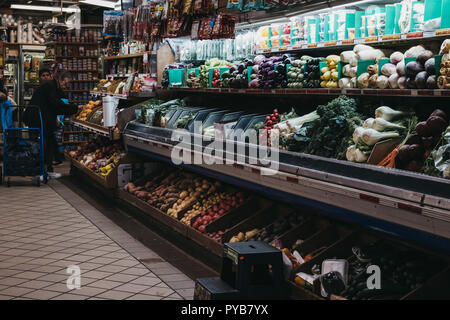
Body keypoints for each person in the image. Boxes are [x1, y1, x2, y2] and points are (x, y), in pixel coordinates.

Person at [27, 71, 78, 179]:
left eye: (68, 84)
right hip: (37, 118)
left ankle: (48, 170)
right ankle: (38, 172)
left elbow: (60, 102)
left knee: (49, 143)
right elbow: (55, 103)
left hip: (45, 119)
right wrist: (73, 108)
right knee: (41, 145)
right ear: (60, 79)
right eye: (65, 83)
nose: (66, 86)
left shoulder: (56, 88)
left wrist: (71, 109)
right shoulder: (49, 86)